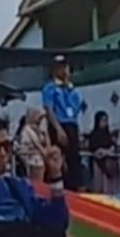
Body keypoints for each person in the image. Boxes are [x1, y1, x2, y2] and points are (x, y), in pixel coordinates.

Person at [42, 55, 83, 190]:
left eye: (65, 67)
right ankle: (57, 186)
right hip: (59, 124)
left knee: (74, 159)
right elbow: (49, 109)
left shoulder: (73, 89)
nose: (64, 70)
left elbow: (76, 109)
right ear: (55, 70)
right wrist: (58, 129)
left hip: (71, 124)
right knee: (57, 157)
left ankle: (74, 187)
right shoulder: (50, 88)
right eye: (60, 67)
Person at [86, 111, 119, 194]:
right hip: (97, 166)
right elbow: (95, 150)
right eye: (102, 120)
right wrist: (103, 151)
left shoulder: (108, 135)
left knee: (109, 190)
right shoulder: (94, 135)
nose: (105, 123)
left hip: (109, 167)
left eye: (106, 120)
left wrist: (109, 150)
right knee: (98, 189)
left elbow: (113, 146)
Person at [17, 107, 51, 184]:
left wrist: (45, 132)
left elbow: (47, 143)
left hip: (40, 155)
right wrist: (45, 154)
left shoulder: (39, 129)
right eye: (40, 117)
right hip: (30, 156)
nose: (41, 120)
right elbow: (37, 144)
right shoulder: (27, 129)